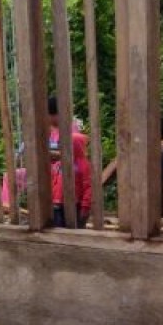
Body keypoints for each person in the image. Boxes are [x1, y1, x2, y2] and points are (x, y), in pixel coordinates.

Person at [48, 96, 92, 228]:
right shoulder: (60, 163)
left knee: (74, 229)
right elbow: (54, 179)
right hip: (57, 203)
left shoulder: (82, 165)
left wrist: (85, 206)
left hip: (74, 204)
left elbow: (88, 186)